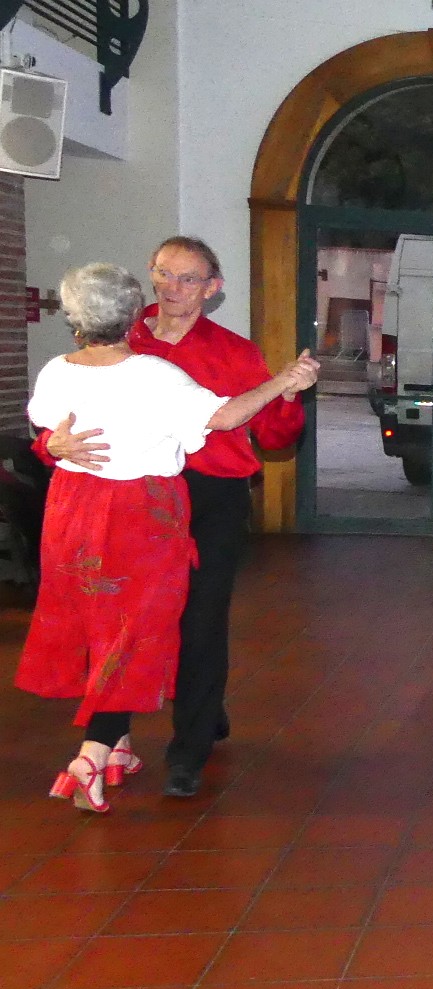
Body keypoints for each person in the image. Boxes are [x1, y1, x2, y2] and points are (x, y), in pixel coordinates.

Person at [19, 263, 318, 812]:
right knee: (138, 628)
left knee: (112, 624)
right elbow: (224, 417)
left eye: (186, 278)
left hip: (74, 510)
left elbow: (46, 427)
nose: (171, 287)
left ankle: (126, 747)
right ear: (135, 308)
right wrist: (283, 381)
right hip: (141, 512)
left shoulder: (57, 370)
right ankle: (93, 753)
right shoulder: (154, 372)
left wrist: (51, 447)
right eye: (162, 274)